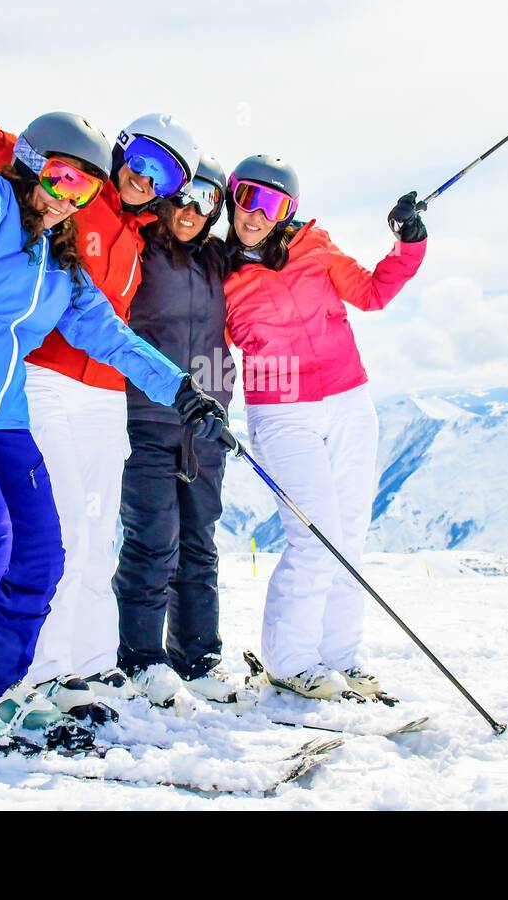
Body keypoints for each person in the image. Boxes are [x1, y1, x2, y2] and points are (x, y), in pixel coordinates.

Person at [0, 103, 227, 747]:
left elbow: (110, 336)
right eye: (58, 177)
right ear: (31, 166)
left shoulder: (61, 267)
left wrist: (184, 393)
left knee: (39, 555)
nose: (67, 197)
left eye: (83, 186)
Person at [220, 155, 429, 700]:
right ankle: (291, 661)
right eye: (246, 197)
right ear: (231, 196)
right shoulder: (217, 270)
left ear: (289, 211)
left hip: (349, 400)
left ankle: (342, 658)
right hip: (282, 411)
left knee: (350, 537)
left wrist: (407, 243)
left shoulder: (316, 248)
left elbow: (372, 294)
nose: (255, 213)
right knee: (316, 537)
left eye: (272, 204)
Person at [111, 155, 255, 706]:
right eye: (185, 195)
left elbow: (275, 242)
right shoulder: (140, 247)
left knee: (199, 542)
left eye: (207, 200)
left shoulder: (220, 262)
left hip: (207, 424)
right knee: (152, 540)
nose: (192, 210)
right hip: (145, 416)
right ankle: (141, 659)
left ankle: (197, 657)